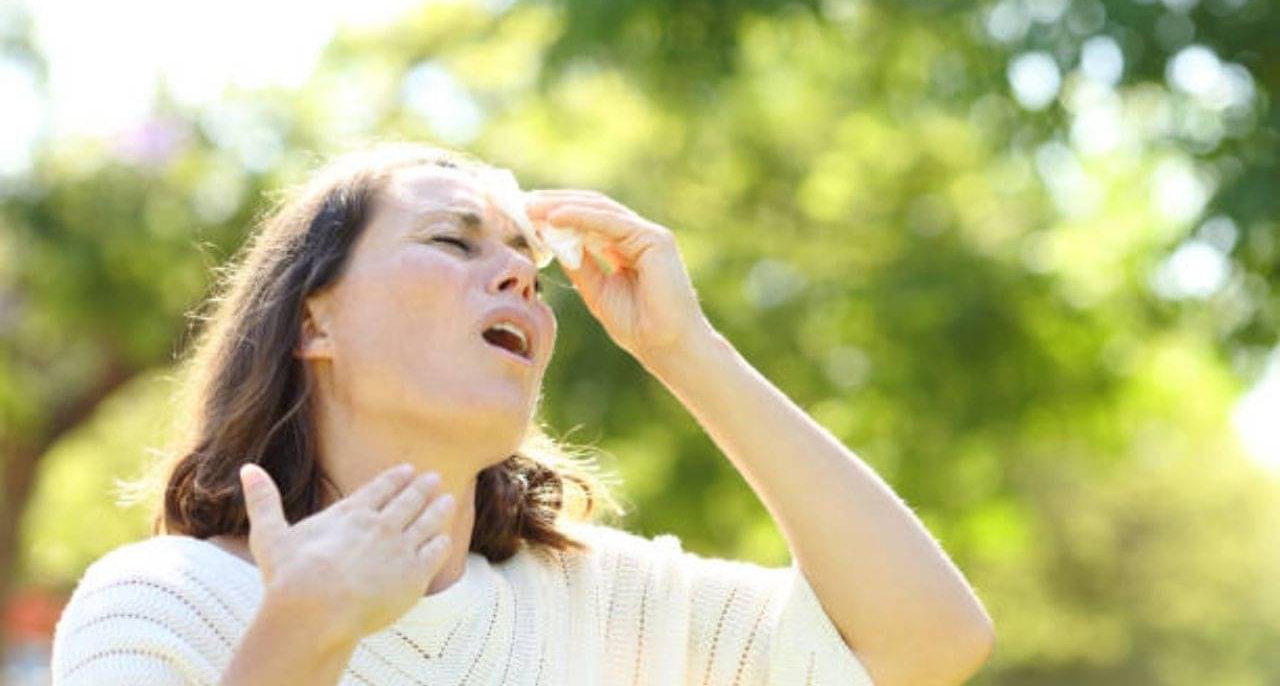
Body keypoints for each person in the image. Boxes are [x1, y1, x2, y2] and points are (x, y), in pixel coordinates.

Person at [49, 141, 994, 685]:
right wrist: (304, 634)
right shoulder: (165, 603)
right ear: (313, 319)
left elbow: (928, 645)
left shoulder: (608, 606)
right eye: (452, 240)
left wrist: (685, 349)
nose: (515, 275)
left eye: (527, 268)